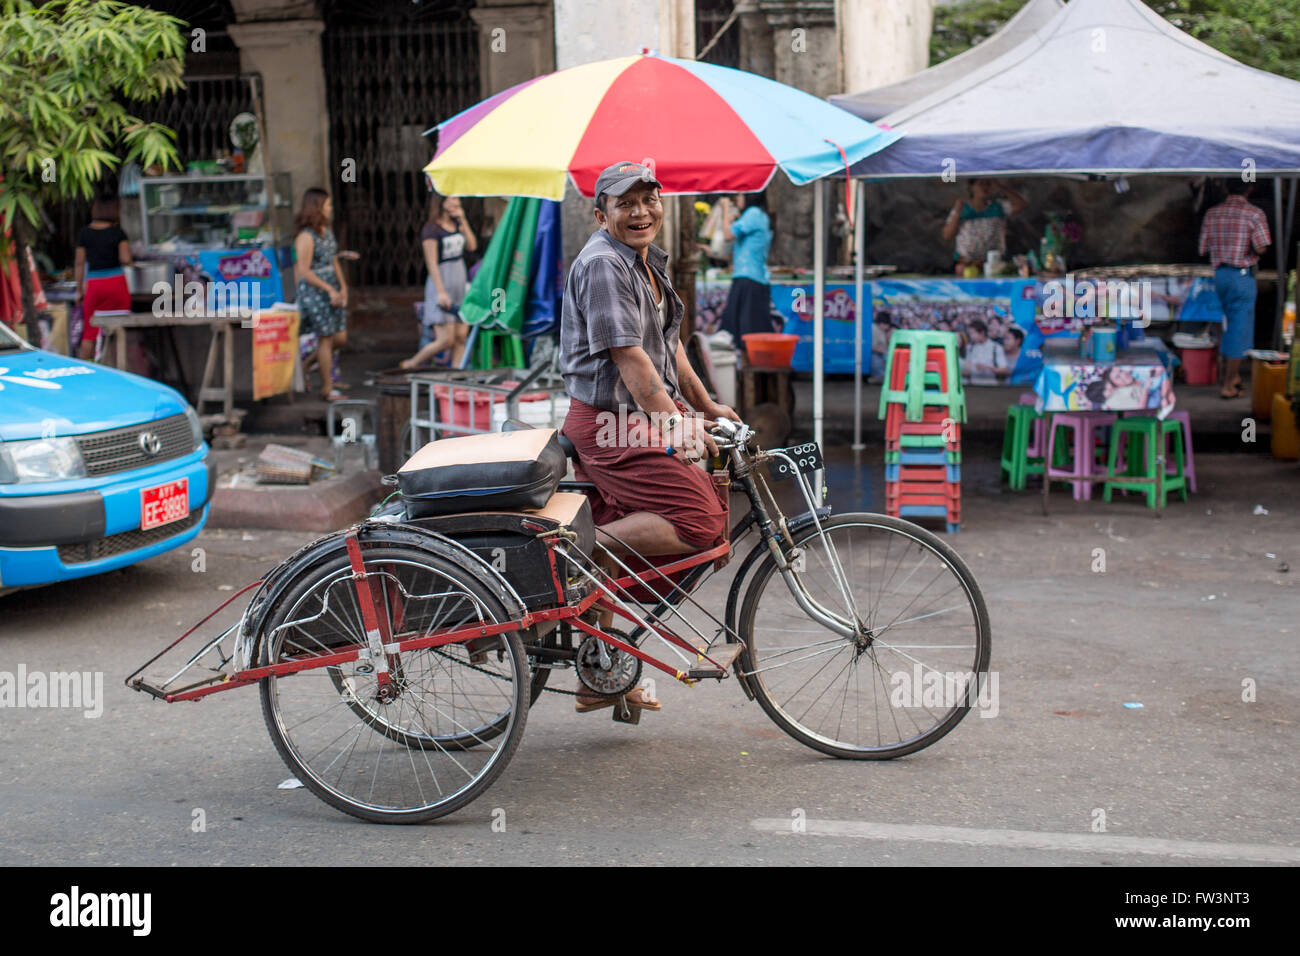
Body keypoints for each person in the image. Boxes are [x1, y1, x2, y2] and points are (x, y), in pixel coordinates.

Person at [560, 160, 740, 715]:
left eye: (649, 200)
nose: (641, 212)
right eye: (625, 203)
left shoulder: (644, 260)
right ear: (601, 214)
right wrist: (680, 425)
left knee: (669, 530)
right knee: (702, 522)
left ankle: (601, 673)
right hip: (611, 426)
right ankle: (574, 552)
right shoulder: (604, 265)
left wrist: (707, 407)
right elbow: (632, 361)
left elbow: (669, 345)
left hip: (636, 418)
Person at [1198, 178, 1271, 398]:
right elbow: (1261, 246)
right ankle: (1228, 383)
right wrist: (1252, 249)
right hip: (1240, 276)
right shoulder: (1254, 214)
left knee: (1222, 325)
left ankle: (1231, 375)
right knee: (1239, 328)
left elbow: (1202, 249)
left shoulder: (1212, 213)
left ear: (1226, 188)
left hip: (1219, 276)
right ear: (1250, 189)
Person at [402, 194, 477, 369]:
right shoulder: (432, 229)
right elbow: (431, 263)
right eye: (451, 198)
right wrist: (440, 291)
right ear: (441, 202)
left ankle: (457, 375)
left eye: (457, 199)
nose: (455, 202)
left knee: (460, 337)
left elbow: (472, 246)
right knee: (446, 339)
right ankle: (412, 363)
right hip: (442, 282)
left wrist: (463, 220)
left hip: (460, 282)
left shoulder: (458, 224)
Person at [294, 188, 349, 400]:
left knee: (340, 337)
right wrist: (329, 289)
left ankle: (306, 364)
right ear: (317, 207)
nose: (330, 209)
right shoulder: (306, 237)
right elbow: (304, 271)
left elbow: (333, 260)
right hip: (315, 292)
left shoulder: (326, 231)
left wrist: (343, 287)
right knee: (325, 338)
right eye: (327, 205)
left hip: (332, 288)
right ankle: (327, 387)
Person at [74, 198, 133, 361]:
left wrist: (78, 290)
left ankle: (84, 370)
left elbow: (79, 263)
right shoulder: (118, 232)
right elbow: (125, 258)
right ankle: (118, 368)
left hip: (94, 285)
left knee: (89, 333)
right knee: (119, 328)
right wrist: (133, 261)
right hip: (116, 284)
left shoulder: (84, 233)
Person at [716, 191, 773, 341]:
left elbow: (728, 235)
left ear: (750, 196)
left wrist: (726, 209)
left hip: (748, 277)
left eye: (740, 195)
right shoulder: (759, 215)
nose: (737, 198)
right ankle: (748, 362)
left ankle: (750, 362)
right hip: (754, 277)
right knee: (748, 328)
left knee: (744, 330)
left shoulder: (753, 213)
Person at [942, 179, 1027, 276]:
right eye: (981, 184)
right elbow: (947, 235)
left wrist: (1001, 188)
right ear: (971, 187)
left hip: (994, 265)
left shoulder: (999, 207)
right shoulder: (962, 208)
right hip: (966, 265)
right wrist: (957, 213)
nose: (985, 188)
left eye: (988, 184)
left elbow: (1022, 205)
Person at [962, 319, 1007, 385]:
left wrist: (988, 368)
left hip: (991, 386)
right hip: (974, 387)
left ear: (982, 333)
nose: (971, 336)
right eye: (970, 334)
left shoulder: (996, 347)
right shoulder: (970, 348)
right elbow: (967, 370)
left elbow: (1004, 370)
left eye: (972, 333)